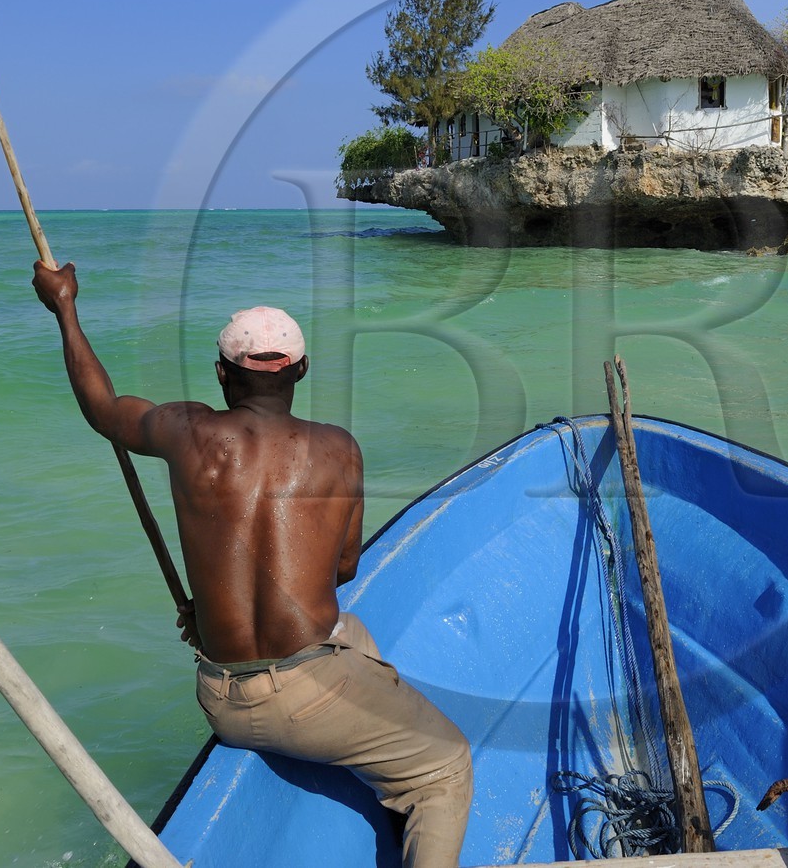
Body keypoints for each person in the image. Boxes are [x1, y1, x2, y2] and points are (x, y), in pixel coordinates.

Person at [31, 262, 472, 868]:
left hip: (221, 695)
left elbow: (102, 408)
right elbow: (343, 570)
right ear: (301, 370)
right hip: (305, 697)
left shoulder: (185, 429)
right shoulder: (339, 449)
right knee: (447, 765)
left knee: (354, 636)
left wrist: (65, 308)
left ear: (222, 372)